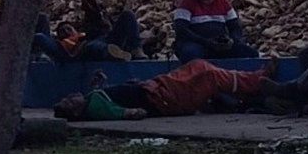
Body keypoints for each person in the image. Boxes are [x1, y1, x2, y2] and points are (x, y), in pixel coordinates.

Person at [51, 58, 278, 121]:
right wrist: (134, 111)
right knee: (208, 76)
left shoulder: (93, 100)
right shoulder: (95, 108)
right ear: (75, 112)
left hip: (156, 88)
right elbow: (121, 111)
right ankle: (257, 81)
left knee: (197, 66)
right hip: (162, 99)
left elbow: (112, 98)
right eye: (69, 103)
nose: (71, 97)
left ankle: (244, 91)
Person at [172, 0, 259, 62]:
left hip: (219, 45)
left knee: (250, 54)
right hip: (196, 44)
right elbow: (181, 30)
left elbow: (235, 27)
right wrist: (205, 42)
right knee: (190, 53)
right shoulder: (186, 4)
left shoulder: (223, 3)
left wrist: (232, 40)